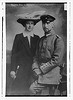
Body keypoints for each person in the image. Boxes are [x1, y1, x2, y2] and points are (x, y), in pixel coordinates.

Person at [30, 14, 65, 95]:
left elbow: (56, 61)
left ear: (53, 25)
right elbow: (36, 57)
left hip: (52, 74)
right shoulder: (40, 40)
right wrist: (35, 68)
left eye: (48, 23)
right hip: (40, 73)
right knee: (31, 89)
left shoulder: (58, 40)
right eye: (44, 23)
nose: (45, 25)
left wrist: (40, 70)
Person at [10, 12, 41, 95]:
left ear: (34, 25)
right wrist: (13, 70)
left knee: (32, 91)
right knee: (20, 90)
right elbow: (14, 54)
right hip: (22, 70)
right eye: (28, 23)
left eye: (32, 23)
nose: (30, 26)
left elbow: (38, 55)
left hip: (33, 70)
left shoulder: (37, 38)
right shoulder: (19, 37)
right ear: (24, 24)